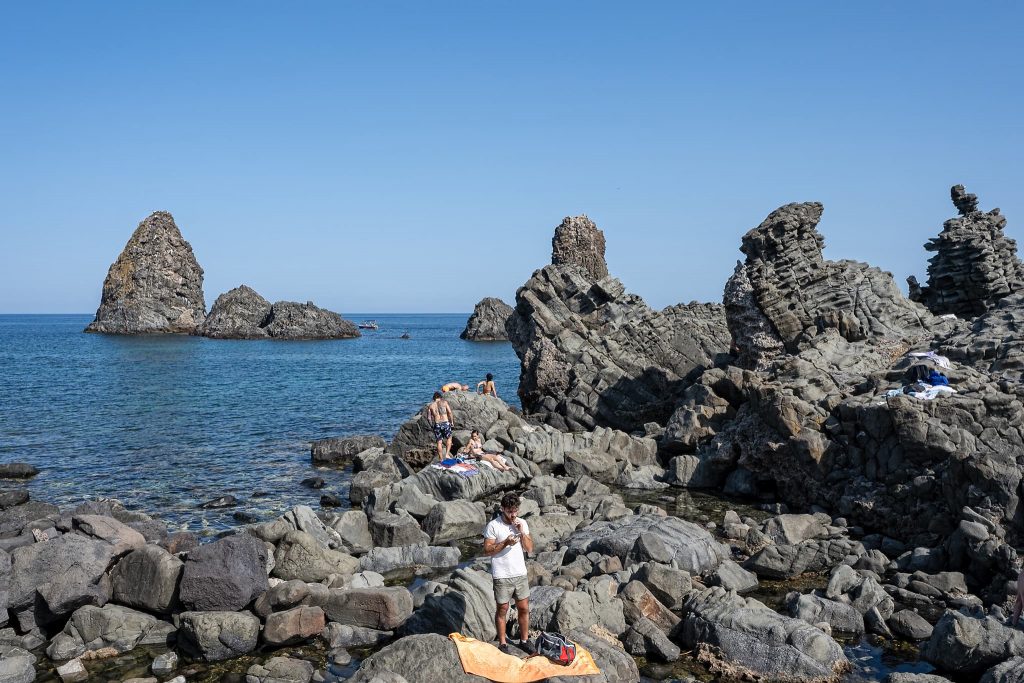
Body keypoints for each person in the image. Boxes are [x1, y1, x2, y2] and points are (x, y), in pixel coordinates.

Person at [484, 493, 533, 653]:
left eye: (515, 511)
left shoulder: (522, 523)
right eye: (510, 511)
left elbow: (529, 548)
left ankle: (524, 640)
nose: (513, 515)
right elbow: (487, 550)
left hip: (520, 573)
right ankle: (503, 643)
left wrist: (522, 532)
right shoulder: (493, 526)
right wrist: (505, 542)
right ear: (502, 509)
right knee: (503, 608)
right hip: (502, 574)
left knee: (524, 608)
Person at [427, 391, 454, 461]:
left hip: (437, 424)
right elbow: (450, 412)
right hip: (445, 422)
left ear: (434, 398)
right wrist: (451, 422)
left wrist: (432, 426)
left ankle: (441, 458)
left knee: (439, 442)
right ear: (440, 397)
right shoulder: (444, 403)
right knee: (449, 438)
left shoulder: (431, 406)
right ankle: (447, 454)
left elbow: (429, 418)